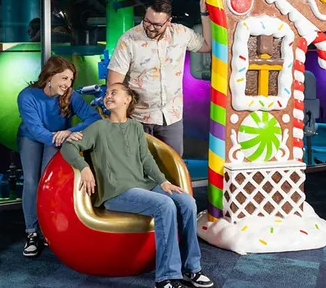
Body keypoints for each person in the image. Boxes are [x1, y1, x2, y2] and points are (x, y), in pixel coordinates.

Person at [61, 84, 214, 288]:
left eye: (114, 92)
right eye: (106, 94)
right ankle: (167, 277)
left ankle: (192, 268)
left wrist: (163, 181)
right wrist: (84, 167)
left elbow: (146, 159)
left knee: (187, 202)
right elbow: (68, 147)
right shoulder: (98, 127)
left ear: (128, 99)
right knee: (165, 205)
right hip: (116, 191)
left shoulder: (135, 127)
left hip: (144, 185)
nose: (108, 96)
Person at [16, 56, 100, 258]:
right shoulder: (27, 96)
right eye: (63, 78)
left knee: (48, 184)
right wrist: (62, 136)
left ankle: (48, 229)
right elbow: (37, 132)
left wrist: (71, 131)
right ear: (50, 76)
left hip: (58, 139)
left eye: (70, 80)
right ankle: (31, 232)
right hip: (32, 138)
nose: (67, 84)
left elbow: (93, 117)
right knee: (31, 181)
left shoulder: (70, 95)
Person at [106, 0, 212, 156]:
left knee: (173, 168)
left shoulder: (181, 33)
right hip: (138, 118)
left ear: (168, 21)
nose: (150, 28)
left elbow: (206, 46)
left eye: (157, 24)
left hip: (171, 117)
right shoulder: (128, 40)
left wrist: (204, 15)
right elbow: (114, 84)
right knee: (138, 168)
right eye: (147, 21)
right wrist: (120, 121)